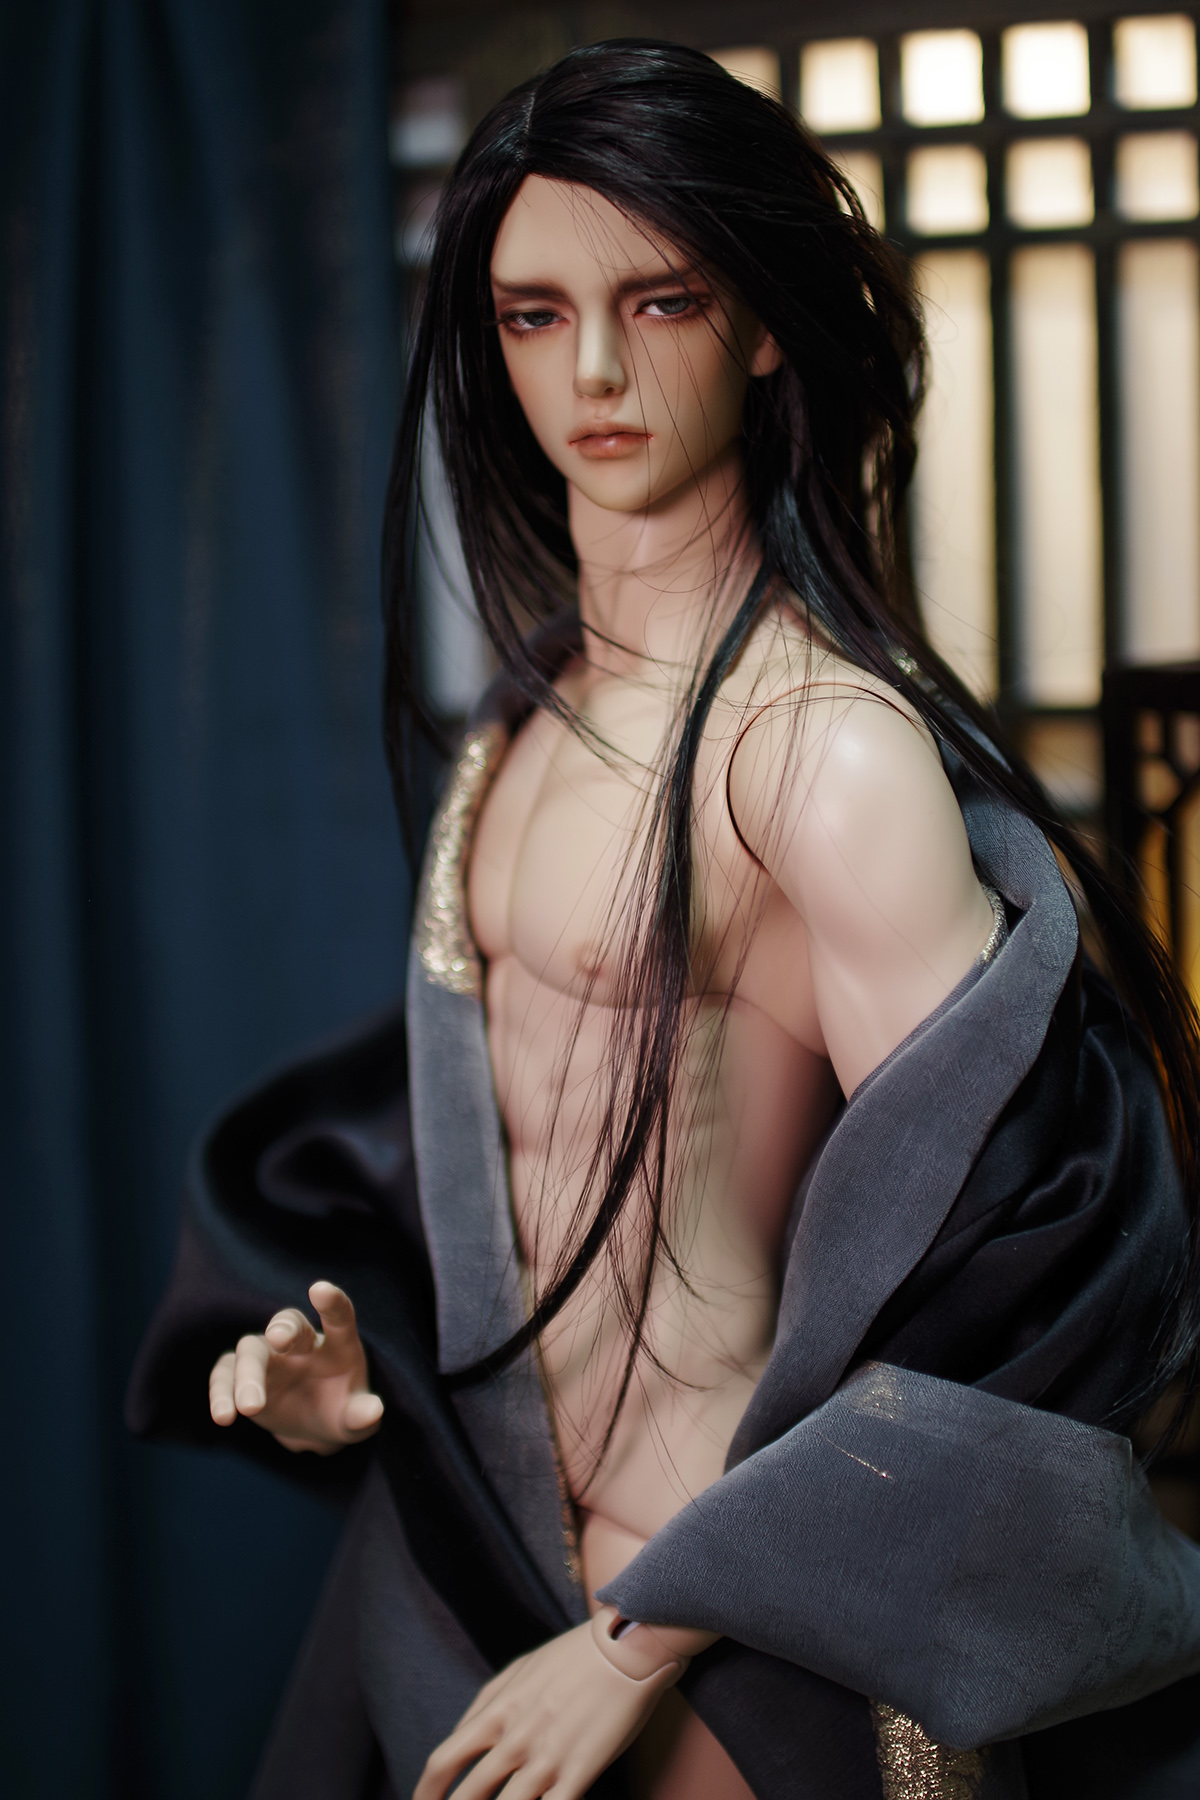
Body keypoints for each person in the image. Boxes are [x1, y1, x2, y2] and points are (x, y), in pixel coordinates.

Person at [129, 40, 1200, 1800]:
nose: (595, 373)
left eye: (662, 299)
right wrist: (361, 1372)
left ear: (763, 321)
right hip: (485, 1565)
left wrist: (643, 1634)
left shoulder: (818, 757)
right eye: (534, 315)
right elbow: (505, 1176)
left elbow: (1009, 1271)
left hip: (731, 1632)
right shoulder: (525, 724)